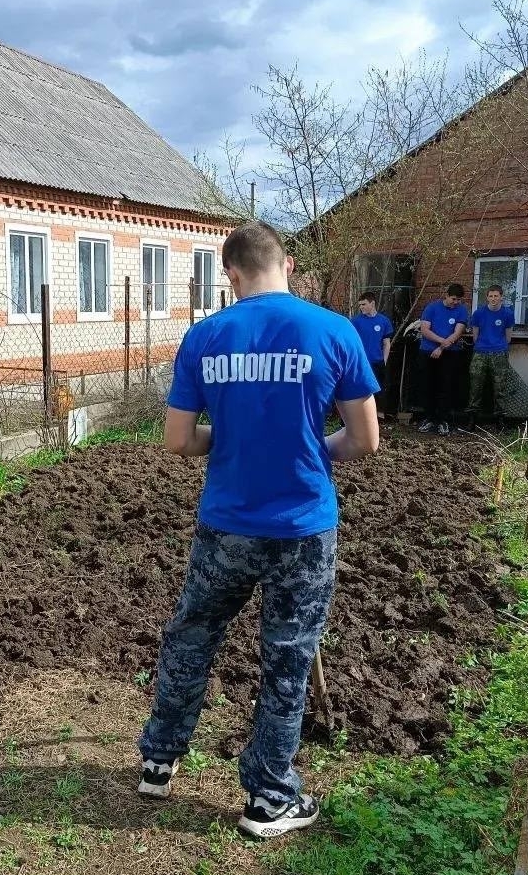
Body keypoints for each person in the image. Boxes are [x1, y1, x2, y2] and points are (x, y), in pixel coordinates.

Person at [137, 221, 379, 840]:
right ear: (287, 264)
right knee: (287, 658)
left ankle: (160, 759)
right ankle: (269, 799)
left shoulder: (205, 337)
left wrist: (236, 439)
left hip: (226, 526)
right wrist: (307, 445)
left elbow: (177, 440)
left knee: (192, 635)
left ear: (232, 275)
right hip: (303, 525)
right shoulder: (334, 331)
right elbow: (365, 439)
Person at [417, 283, 469, 436]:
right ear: (446, 295)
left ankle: (443, 420)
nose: (456, 302)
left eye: (458, 300)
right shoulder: (431, 308)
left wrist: (441, 348)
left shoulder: (461, 310)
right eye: (453, 299)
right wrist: (441, 342)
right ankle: (429, 418)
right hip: (427, 351)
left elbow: (458, 332)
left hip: (450, 353)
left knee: (445, 386)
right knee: (427, 385)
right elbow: (425, 329)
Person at [467, 285, 514, 431]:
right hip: (480, 352)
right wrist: (484, 345)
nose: (493, 299)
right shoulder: (478, 313)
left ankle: (500, 420)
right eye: (491, 296)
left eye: (496, 296)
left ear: (501, 297)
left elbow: (508, 337)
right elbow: (475, 335)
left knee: (500, 388)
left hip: (500, 352)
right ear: (487, 297)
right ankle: (472, 419)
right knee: (475, 387)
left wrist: (498, 345)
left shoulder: (507, 313)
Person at [350, 291, 393, 421]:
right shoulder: (355, 321)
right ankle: (359, 418)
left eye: (364, 304)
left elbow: (386, 343)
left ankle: (379, 418)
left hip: (377, 361)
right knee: (361, 390)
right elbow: (351, 342)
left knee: (379, 390)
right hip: (361, 363)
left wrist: (384, 360)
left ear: (372, 303)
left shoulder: (383, 321)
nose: (361, 307)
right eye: (360, 305)